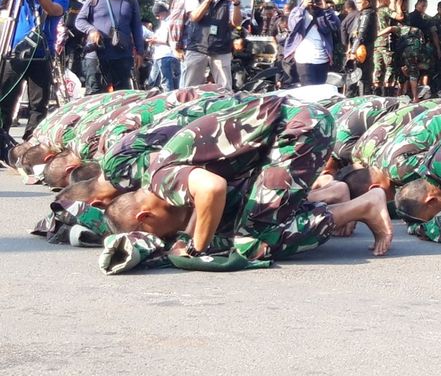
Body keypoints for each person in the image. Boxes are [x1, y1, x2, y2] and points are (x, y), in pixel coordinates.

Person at [105, 97, 393, 259]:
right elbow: (205, 198)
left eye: (162, 234)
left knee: (258, 237)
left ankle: (365, 205)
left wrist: (195, 248)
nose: (169, 237)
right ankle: (332, 195)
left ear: (145, 217)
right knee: (246, 213)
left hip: (301, 128)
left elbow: (212, 189)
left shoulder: (160, 179)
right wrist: (192, 234)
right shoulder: (161, 178)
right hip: (293, 126)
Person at [0, 0, 68, 149]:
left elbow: (53, 10)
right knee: (5, 99)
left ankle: (31, 144)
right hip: (15, 54)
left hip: (41, 56)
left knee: (38, 105)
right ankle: (2, 139)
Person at [76, 0, 144, 95]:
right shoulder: (94, 0)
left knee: (122, 95)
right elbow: (79, 21)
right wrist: (91, 30)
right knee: (95, 95)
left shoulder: (130, 2)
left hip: (122, 56)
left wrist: (140, 52)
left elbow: (137, 28)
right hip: (96, 57)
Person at [179, 0, 241, 89]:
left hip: (221, 48)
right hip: (197, 47)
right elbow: (194, 17)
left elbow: (236, 23)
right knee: (188, 90)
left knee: (225, 89)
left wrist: (236, 4)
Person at [283, 0, 341, 87]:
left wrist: (326, 9)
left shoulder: (326, 12)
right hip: (304, 59)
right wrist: (303, 7)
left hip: (323, 60)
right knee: (308, 92)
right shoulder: (298, 10)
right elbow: (292, 26)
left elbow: (335, 26)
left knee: (319, 93)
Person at [146, 3, 179, 91]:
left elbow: (169, 41)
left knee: (167, 83)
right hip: (159, 56)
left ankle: (170, 101)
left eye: (157, 15)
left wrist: (155, 41)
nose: (157, 18)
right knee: (152, 82)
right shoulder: (164, 22)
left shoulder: (170, 22)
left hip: (166, 55)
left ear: (163, 12)